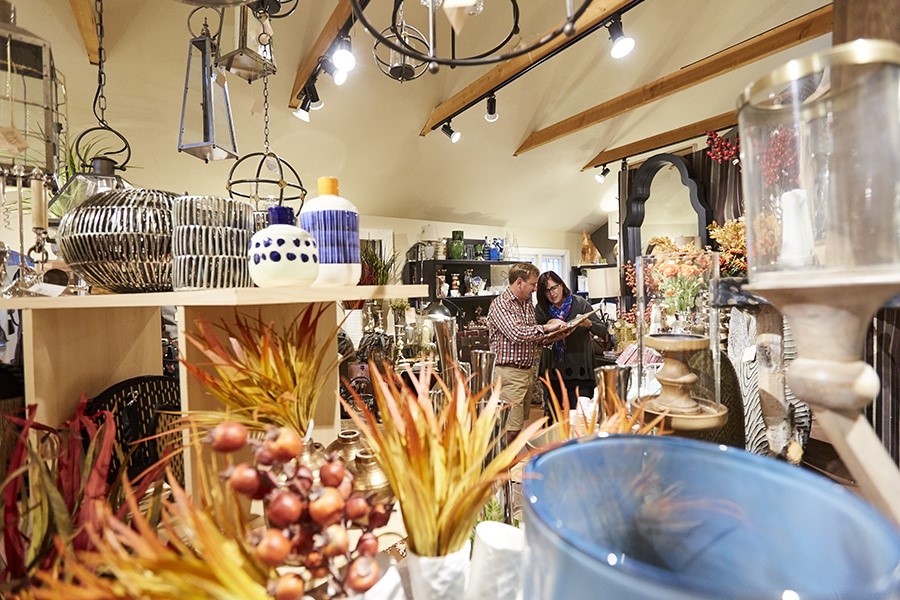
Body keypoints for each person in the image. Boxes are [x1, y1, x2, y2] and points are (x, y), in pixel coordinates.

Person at [487, 263, 566, 443]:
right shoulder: (501, 304)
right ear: (520, 282)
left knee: (517, 425)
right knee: (509, 429)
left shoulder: (527, 304)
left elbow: (531, 337)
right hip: (508, 373)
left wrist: (555, 335)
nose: (535, 288)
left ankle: (510, 467)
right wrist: (547, 327)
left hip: (525, 373)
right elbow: (517, 333)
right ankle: (500, 468)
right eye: (532, 284)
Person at [535, 270, 608, 412]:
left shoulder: (580, 303)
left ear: (561, 285)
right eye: (547, 291)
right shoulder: (541, 309)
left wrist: (589, 324)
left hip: (579, 368)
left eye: (554, 287)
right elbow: (537, 339)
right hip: (553, 370)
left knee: (580, 415)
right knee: (552, 417)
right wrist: (551, 330)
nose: (552, 293)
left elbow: (604, 331)